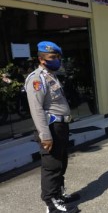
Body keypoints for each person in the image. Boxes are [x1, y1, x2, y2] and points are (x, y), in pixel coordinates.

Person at [25, 42, 79, 213]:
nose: (57, 60)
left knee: (61, 163)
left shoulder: (51, 75)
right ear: (41, 59)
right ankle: (52, 204)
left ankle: (59, 194)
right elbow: (36, 109)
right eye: (52, 57)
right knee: (51, 166)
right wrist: (45, 135)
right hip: (50, 128)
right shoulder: (36, 78)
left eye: (58, 57)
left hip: (60, 127)